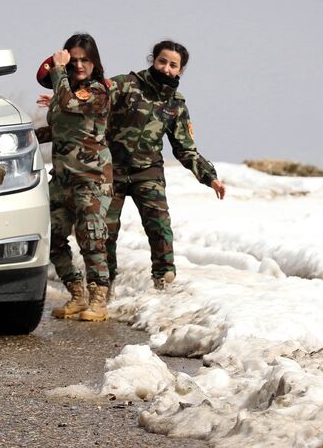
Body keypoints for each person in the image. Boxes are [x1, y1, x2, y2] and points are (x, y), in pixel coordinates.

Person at [106, 40, 226, 290]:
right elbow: (92, 99)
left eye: (173, 65)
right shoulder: (125, 84)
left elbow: (185, 148)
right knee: (105, 232)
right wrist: (63, 98)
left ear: (180, 70)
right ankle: (103, 283)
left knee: (160, 227)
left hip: (148, 173)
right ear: (153, 60)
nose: (166, 69)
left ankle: (164, 281)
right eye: (162, 61)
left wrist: (209, 177)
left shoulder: (176, 105)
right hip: (111, 172)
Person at [44, 33, 113, 321]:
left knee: (92, 240)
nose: (79, 65)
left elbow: (69, 105)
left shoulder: (98, 91)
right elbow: (60, 128)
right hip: (62, 179)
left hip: (90, 179)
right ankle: (76, 293)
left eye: (85, 59)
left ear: (95, 62)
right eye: (74, 60)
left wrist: (58, 70)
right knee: (52, 238)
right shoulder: (66, 89)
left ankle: (98, 300)